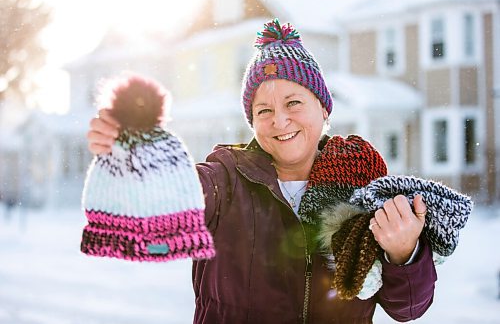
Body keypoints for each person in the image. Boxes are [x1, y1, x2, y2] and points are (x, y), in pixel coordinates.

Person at [86, 19, 436, 323]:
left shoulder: (364, 185)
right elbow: (170, 199)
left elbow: (408, 308)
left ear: (324, 109)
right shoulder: (225, 178)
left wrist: (404, 253)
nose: (279, 120)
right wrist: (135, 152)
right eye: (263, 110)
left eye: (294, 102)